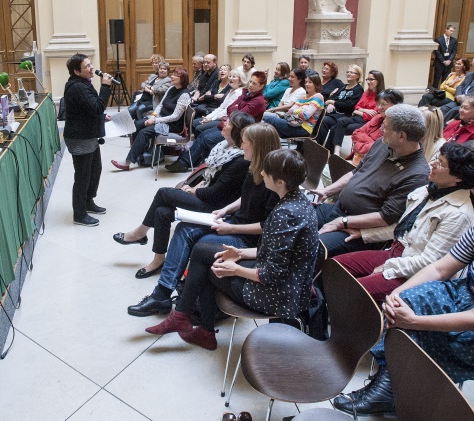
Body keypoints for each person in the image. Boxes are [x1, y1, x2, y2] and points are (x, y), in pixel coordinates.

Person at [334, 180, 474, 417]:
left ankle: (390, 390)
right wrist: (397, 295)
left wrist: (413, 321)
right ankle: (391, 386)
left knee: (416, 327)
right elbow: (440, 269)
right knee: (409, 300)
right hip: (465, 297)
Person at [145, 149, 319, 351]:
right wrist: (240, 254)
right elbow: (275, 251)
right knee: (203, 252)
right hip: (286, 283)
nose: (262, 174)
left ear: (280, 182)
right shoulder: (297, 201)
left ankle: (197, 326)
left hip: (278, 296)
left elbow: (272, 274)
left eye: (267, 172)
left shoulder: (285, 213)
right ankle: (187, 319)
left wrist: (235, 269)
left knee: (209, 268)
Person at [126, 122, 281, 317]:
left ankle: (165, 295)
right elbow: (246, 197)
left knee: (196, 238)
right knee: (184, 228)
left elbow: (267, 226)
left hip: (246, 237)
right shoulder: (255, 167)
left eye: (245, 142)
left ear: (257, 146)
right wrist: (225, 210)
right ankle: (162, 294)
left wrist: (230, 229)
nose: (241, 146)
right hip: (235, 223)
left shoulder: (274, 180)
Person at [334, 142, 474, 302]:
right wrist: (364, 233)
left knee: (348, 290)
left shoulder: (458, 214)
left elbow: (429, 263)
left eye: (440, 164)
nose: (432, 164)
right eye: (436, 158)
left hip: (412, 275)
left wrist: (389, 267)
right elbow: (402, 228)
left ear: (457, 178)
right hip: (395, 254)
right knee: (335, 268)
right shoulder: (429, 190)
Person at [113, 111, 254, 278]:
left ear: (237, 131)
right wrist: (196, 186)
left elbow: (216, 193)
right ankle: (158, 259)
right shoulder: (223, 147)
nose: (224, 122)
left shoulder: (239, 160)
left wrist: (194, 190)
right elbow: (209, 175)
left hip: (216, 208)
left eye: (229, 122)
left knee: (163, 193)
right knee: (162, 212)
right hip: (207, 196)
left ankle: (140, 233)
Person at [310, 104, 430, 257]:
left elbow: (385, 217)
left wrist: (343, 222)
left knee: (311, 247)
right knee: (293, 217)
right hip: (339, 209)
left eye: (385, 127)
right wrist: (327, 191)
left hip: (356, 227)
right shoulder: (383, 143)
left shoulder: (417, 174)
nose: (381, 130)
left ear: (402, 136)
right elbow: (357, 172)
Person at [165, 71, 267, 172]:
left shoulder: (258, 101)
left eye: (254, 83)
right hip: (230, 125)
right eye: (250, 82)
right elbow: (229, 108)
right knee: (203, 133)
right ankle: (190, 160)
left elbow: (237, 116)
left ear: (261, 86)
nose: (250, 85)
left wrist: (235, 109)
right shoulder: (246, 94)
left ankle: (185, 162)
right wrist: (235, 109)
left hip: (239, 132)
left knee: (206, 138)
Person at [63, 54, 114, 226]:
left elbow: (90, 108)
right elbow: (97, 106)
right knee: (83, 176)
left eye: (91, 64)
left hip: (89, 135)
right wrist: (105, 87)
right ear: (77, 71)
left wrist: (101, 116)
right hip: (80, 138)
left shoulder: (83, 83)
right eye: (87, 66)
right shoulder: (77, 87)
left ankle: (88, 201)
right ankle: (79, 214)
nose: (92, 68)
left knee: (95, 170)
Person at [111, 67, 191, 170]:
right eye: (173, 74)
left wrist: (155, 120)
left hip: (171, 125)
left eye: (176, 75)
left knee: (144, 132)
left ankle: (127, 162)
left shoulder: (184, 95)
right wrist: (153, 116)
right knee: (136, 125)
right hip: (161, 118)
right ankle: (139, 154)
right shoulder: (171, 88)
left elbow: (175, 117)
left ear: (182, 79)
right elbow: (160, 105)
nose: (172, 76)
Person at [329, 69, 385, 155]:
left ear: (378, 80)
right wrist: (365, 110)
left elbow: (374, 115)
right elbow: (356, 107)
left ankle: (332, 152)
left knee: (336, 128)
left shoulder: (381, 96)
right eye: (368, 79)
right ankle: (335, 152)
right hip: (357, 118)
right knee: (340, 121)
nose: (368, 82)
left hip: (368, 123)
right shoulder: (366, 92)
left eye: (371, 79)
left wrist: (359, 111)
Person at [350, 89, 404, 165]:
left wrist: (360, 146)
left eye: (384, 104)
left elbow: (383, 149)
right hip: (359, 159)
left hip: (377, 164)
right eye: (378, 104)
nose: (379, 107)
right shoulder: (378, 117)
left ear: (395, 105)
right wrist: (373, 143)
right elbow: (356, 133)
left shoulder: (397, 125)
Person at [262, 73, 324, 139]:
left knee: (266, 118)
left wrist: (297, 111)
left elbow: (305, 115)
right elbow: (290, 111)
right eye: (306, 82)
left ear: (316, 84)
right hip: (292, 123)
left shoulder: (318, 97)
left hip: (304, 129)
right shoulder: (303, 97)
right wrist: (301, 110)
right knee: (267, 124)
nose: (307, 84)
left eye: (310, 82)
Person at [319, 64, 364, 151]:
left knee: (325, 120)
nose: (348, 74)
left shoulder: (358, 89)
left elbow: (349, 105)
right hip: (335, 113)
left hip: (346, 115)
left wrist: (333, 102)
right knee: (320, 118)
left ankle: (324, 150)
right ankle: (318, 146)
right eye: (348, 72)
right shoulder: (343, 87)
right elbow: (331, 98)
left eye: (352, 72)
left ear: (358, 75)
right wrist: (331, 103)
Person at [440, 55, 474, 120]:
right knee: (442, 109)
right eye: (473, 66)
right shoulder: (470, 74)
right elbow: (460, 86)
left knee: (453, 112)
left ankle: (442, 127)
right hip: (459, 100)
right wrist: (458, 96)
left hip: (472, 103)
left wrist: (464, 96)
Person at [193, 69, 245, 134]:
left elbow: (226, 110)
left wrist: (211, 119)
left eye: (234, 77)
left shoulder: (239, 93)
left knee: (199, 128)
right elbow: (221, 107)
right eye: (230, 76)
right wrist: (208, 117)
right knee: (194, 122)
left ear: (240, 82)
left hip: (226, 119)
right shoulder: (231, 91)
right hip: (218, 116)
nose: (231, 78)